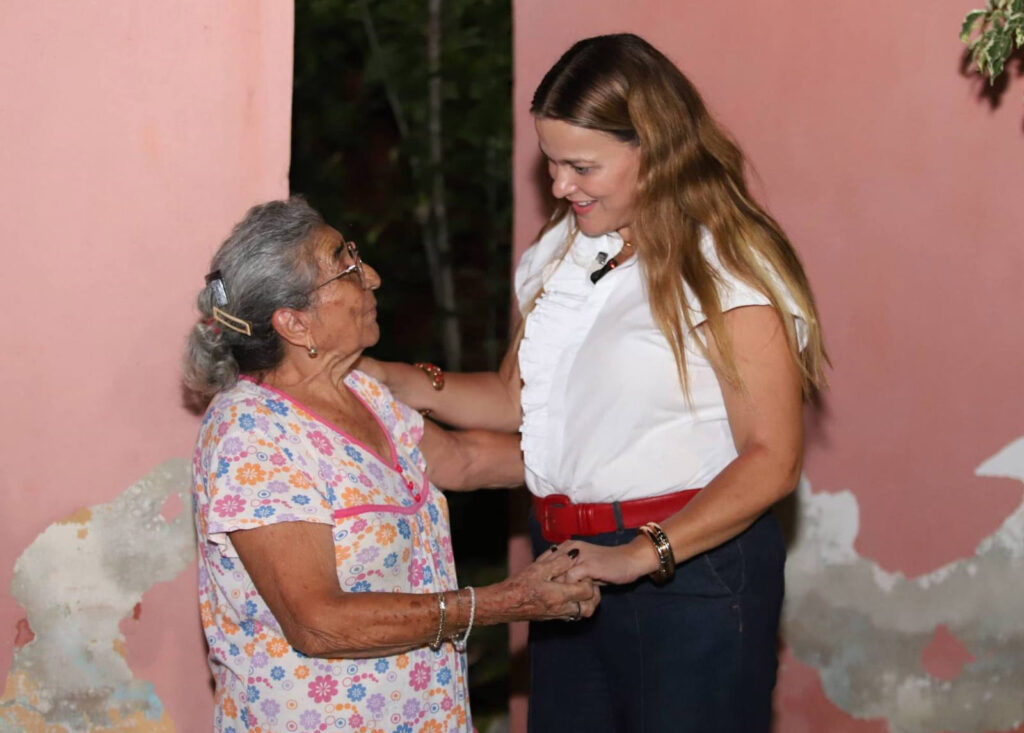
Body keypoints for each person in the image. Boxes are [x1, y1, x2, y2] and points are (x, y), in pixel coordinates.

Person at [362, 33, 828, 732]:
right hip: (568, 569)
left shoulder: (725, 260)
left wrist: (641, 554)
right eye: (550, 163)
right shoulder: (563, 250)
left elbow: (773, 457)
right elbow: (516, 400)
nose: (558, 186)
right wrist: (387, 377)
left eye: (581, 166)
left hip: (691, 575)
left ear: (657, 149)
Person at [182, 197, 599, 733]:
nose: (372, 277)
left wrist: (618, 457)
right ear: (295, 323)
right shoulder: (253, 434)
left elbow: (465, 460)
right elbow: (318, 622)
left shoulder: (360, 391)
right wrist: (505, 602)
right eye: (347, 267)